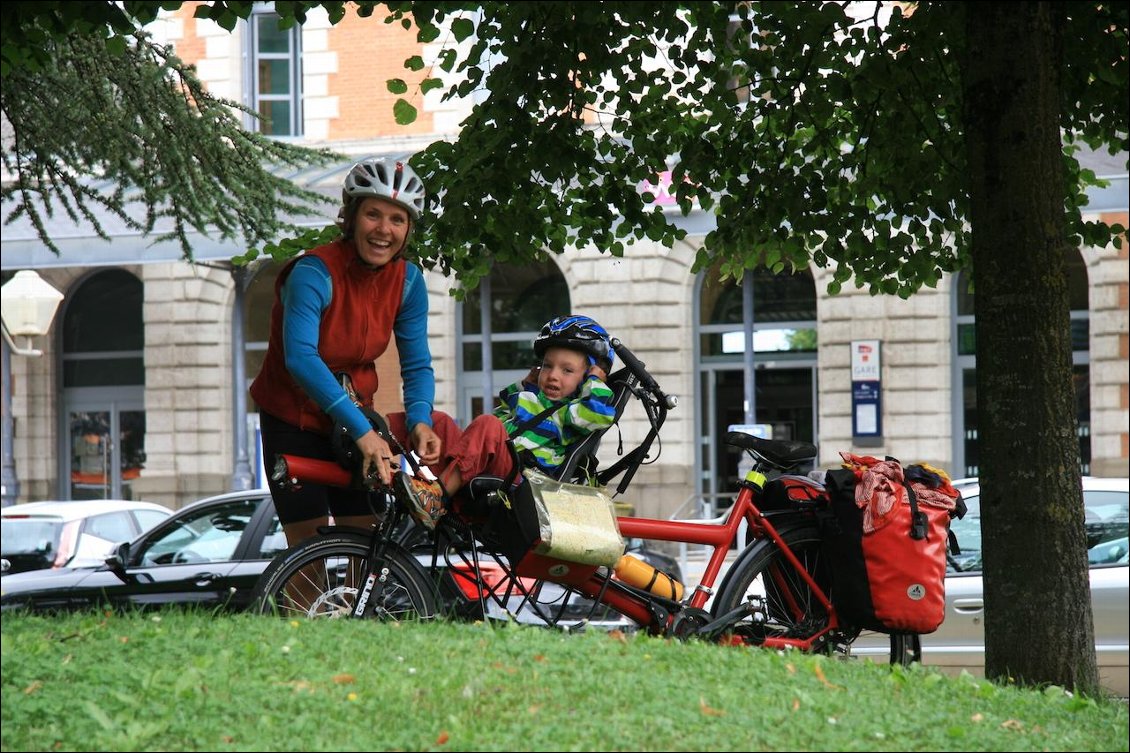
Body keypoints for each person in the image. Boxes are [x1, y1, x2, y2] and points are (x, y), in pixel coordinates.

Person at [250, 158, 460, 547]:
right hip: (292, 420)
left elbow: (416, 365)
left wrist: (420, 419)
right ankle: (301, 610)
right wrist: (363, 430)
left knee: (365, 539)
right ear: (350, 216)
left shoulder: (408, 282)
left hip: (351, 420)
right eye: (373, 215)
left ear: (409, 229)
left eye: (398, 220)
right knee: (308, 545)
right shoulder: (314, 273)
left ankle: (355, 611)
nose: (384, 230)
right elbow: (300, 358)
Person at [397, 315, 619, 530]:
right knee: (437, 421)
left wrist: (595, 380)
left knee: (488, 426)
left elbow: (597, 414)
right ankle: (376, 448)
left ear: (584, 379)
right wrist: (525, 386)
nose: (553, 375)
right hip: (487, 466)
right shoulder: (529, 400)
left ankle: (437, 497)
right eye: (547, 366)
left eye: (567, 370)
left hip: (519, 481)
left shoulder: (571, 413)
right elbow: (496, 420)